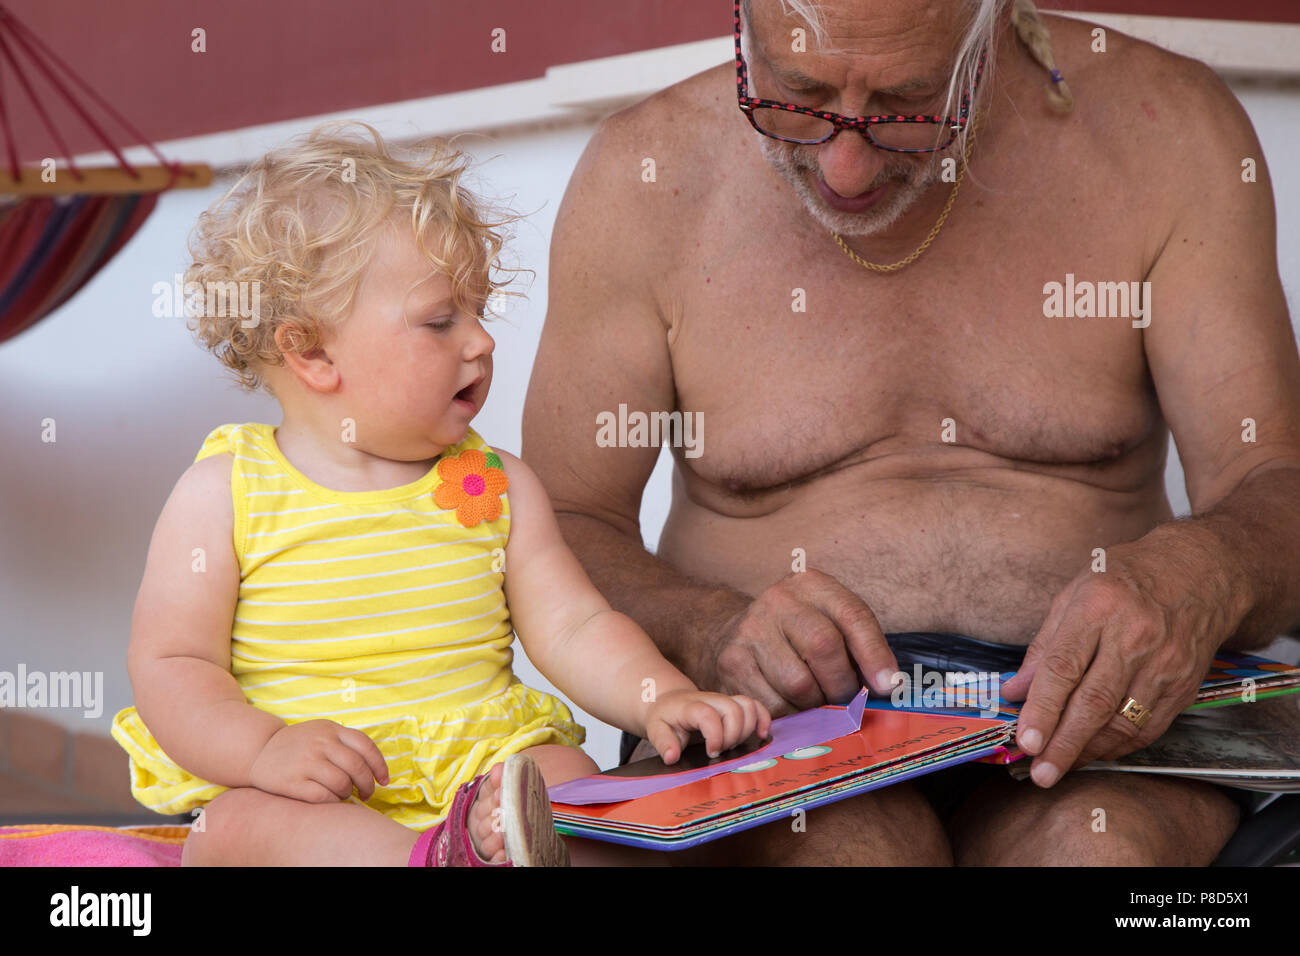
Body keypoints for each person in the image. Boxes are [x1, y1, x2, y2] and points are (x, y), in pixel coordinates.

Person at [522, 0, 1300, 865]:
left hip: (1105, 741)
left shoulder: (1170, 130)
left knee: (1095, 851)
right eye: (797, 92)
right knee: (845, 852)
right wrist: (705, 626)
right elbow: (560, 527)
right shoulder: (644, 175)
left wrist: (1203, 575)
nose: (846, 169)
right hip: (776, 740)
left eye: (910, 102)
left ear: (994, 23)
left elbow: (1272, 477)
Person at [109, 120, 771, 867]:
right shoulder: (224, 494)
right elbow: (172, 664)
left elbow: (576, 627)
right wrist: (265, 750)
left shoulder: (496, 485)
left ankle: (483, 846)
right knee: (233, 830)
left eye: (480, 311)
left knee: (572, 784)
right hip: (313, 787)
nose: (482, 341)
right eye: (439, 321)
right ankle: (424, 860)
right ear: (315, 352)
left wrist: (660, 696)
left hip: (479, 768)